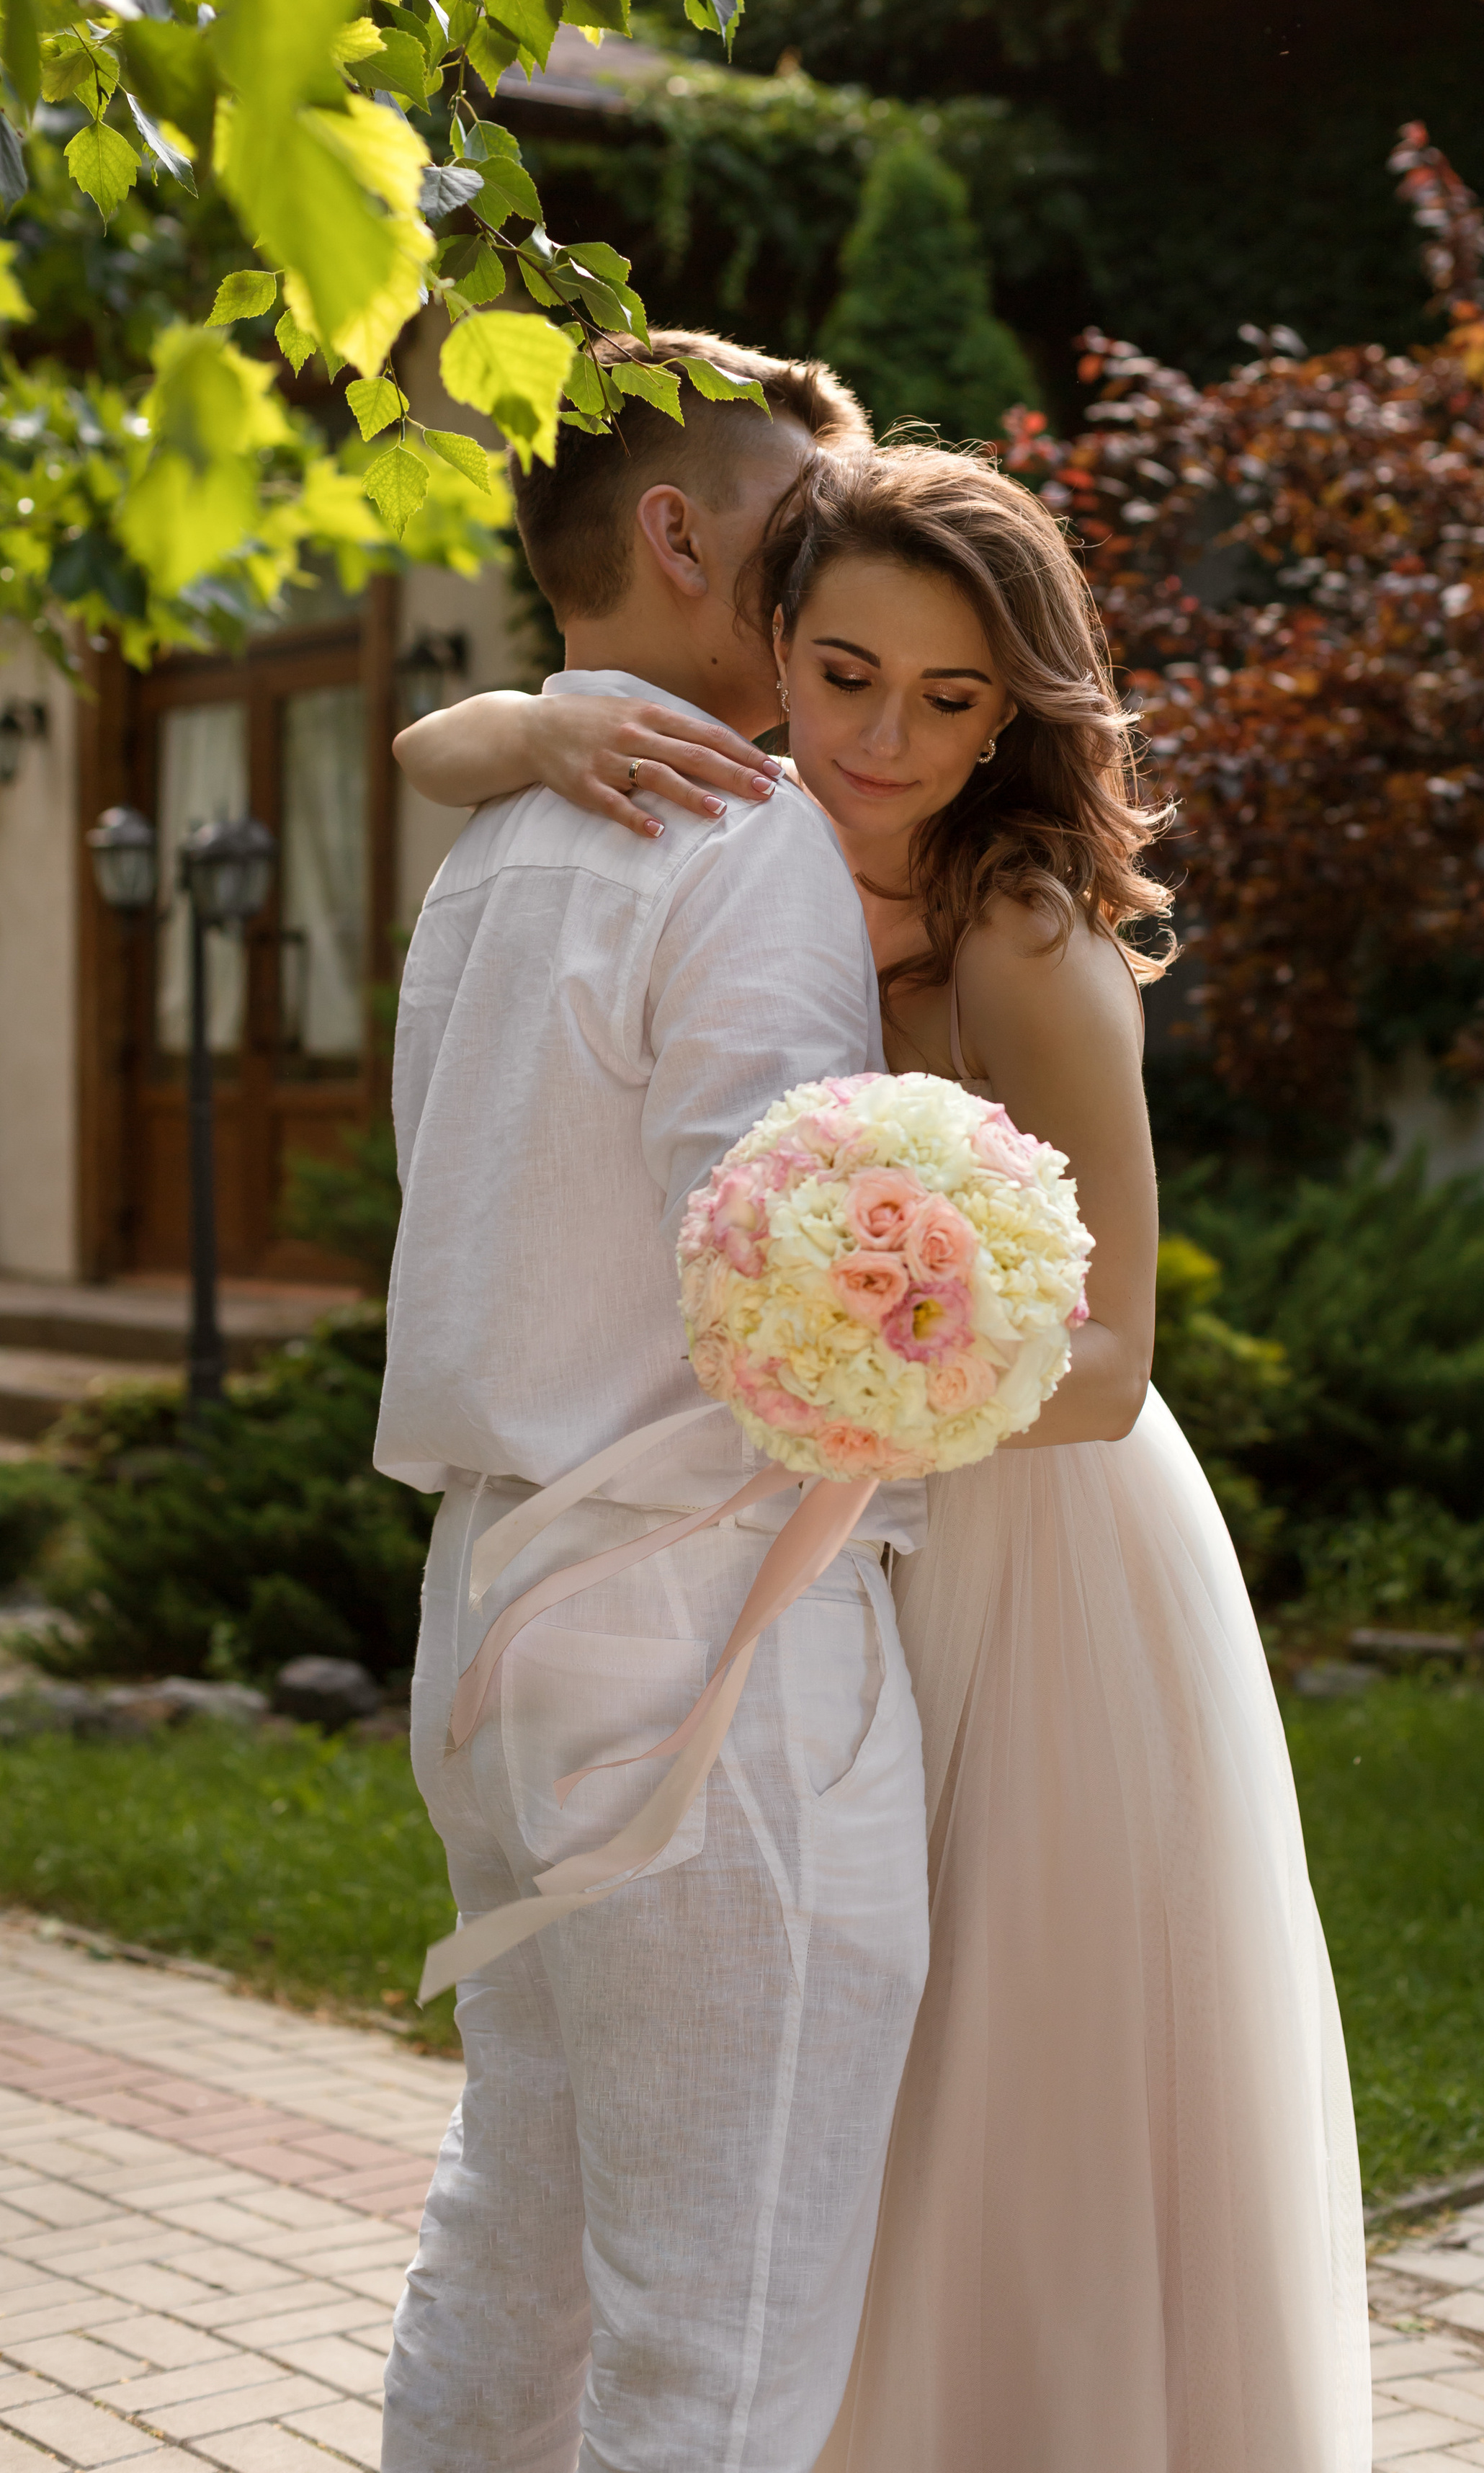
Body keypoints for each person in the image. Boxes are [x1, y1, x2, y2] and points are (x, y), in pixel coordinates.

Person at [396, 440, 1374, 2470]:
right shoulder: (712, 822)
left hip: (1019, 1528)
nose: (884, 741)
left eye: (950, 702)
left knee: (1001, 2064)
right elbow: (429, 746)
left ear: (1013, 710)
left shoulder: (1017, 930)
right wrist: (533, 716)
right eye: (843, 676)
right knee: (786, 2121)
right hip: (808, 1518)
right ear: (774, 637)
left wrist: (880, 1364)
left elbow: (1108, 1366)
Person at [373, 331, 932, 2473]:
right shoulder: (742, 829)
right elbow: (768, 1284)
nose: (839, 583)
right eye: (806, 534)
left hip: (490, 1601)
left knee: (518, 2238)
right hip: (701, 1621)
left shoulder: (501, 839)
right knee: (721, 2316)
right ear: (683, 537)